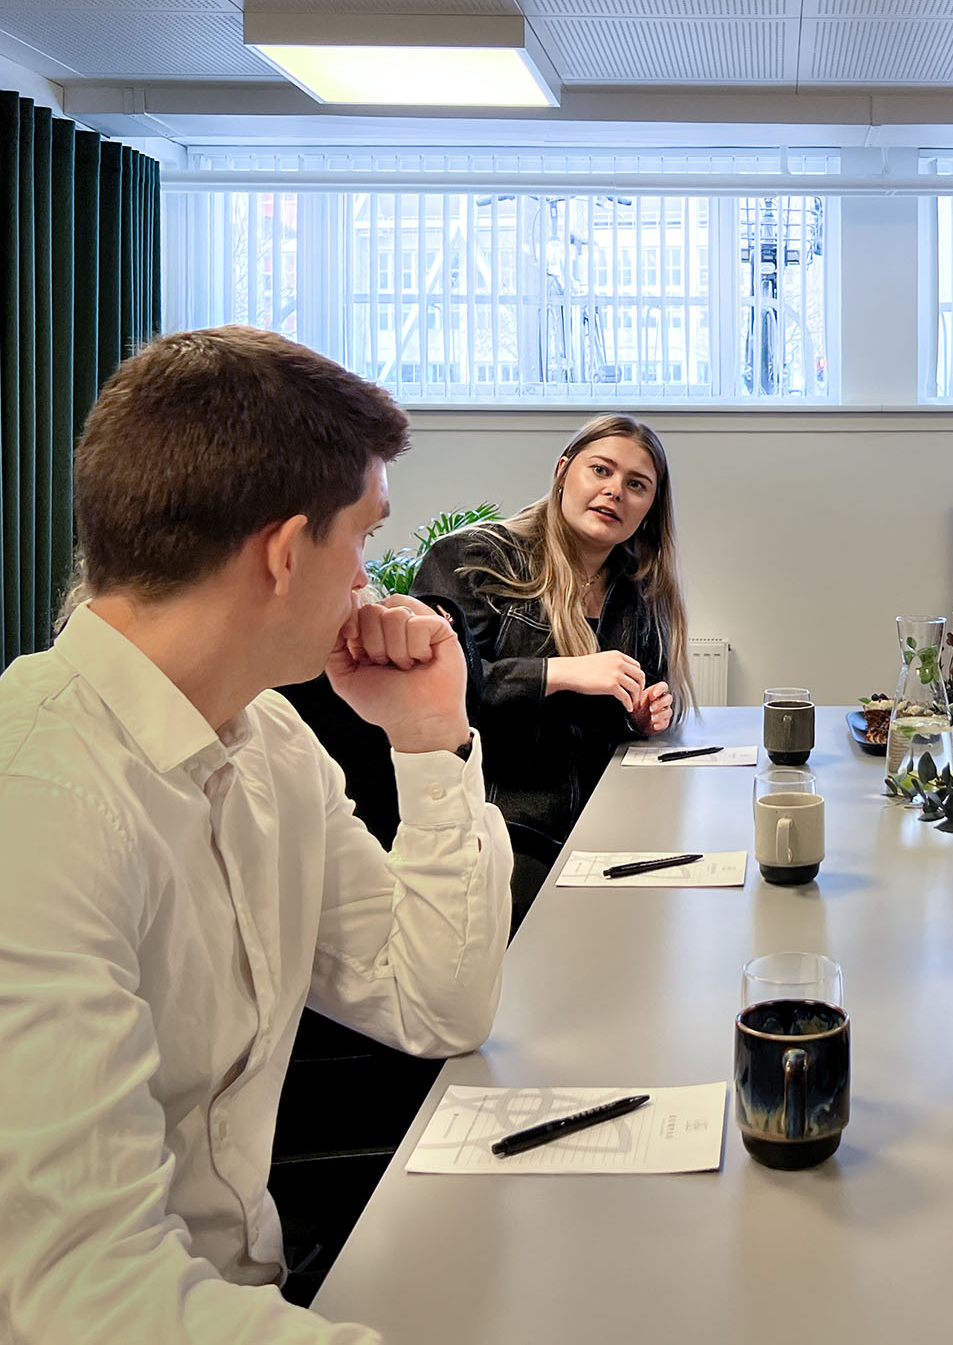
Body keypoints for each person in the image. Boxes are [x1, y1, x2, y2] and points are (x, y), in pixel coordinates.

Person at [0, 325, 512, 1342]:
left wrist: (428, 739)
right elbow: (80, 1298)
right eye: (362, 538)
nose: (370, 580)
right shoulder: (39, 801)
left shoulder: (268, 741)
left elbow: (434, 1003)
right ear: (284, 553)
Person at [413, 414, 693, 913]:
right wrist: (558, 673)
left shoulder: (640, 588)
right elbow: (432, 694)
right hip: (500, 826)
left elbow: (638, 701)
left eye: (636, 484)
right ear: (563, 471)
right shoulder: (473, 559)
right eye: (600, 470)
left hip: (608, 816)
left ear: (650, 507)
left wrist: (642, 713)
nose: (614, 491)